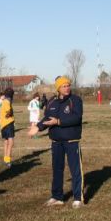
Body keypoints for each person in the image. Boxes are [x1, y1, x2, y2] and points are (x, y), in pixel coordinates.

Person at [28, 76, 84, 208]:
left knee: (75, 169)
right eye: (64, 86)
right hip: (56, 141)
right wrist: (38, 127)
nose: (67, 88)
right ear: (58, 88)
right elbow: (47, 118)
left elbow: (76, 118)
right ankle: (57, 196)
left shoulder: (75, 100)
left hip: (71, 140)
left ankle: (77, 198)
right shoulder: (52, 102)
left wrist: (59, 122)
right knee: (57, 169)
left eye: (68, 85)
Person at [0, 88, 15, 168]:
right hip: (8, 124)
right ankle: (8, 160)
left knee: (6, 141)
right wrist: (10, 113)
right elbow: (8, 113)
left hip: (3, 124)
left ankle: (5, 158)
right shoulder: (7, 101)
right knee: (11, 141)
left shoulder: (3, 101)